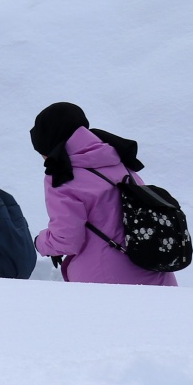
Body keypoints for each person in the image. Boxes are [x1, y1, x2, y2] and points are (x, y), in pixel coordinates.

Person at [29, 102, 177, 286]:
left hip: (107, 284)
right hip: (157, 273)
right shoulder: (118, 159)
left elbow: (66, 240)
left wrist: (41, 242)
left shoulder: (63, 175)